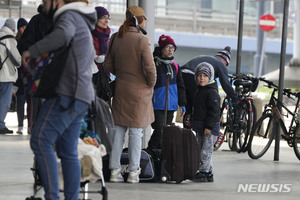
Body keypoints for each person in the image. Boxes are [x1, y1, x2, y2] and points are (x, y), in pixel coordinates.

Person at [22, 0, 96, 199]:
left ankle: (52, 196)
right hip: (81, 95)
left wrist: (33, 50)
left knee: (40, 140)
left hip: (68, 93)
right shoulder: (81, 20)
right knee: (68, 151)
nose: (42, 3)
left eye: (46, 0)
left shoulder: (69, 16)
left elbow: (62, 35)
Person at [103, 5, 156, 183]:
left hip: (121, 89)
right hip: (139, 92)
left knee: (118, 131)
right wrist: (149, 84)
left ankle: (114, 171)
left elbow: (107, 64)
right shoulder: (142, 40)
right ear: (140, 20)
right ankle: (133, 172)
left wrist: (122, 74)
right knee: (135, 133)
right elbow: (150, 67)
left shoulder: (115, 37)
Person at [17, 4, 53, 135]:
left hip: (40, 68)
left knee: (36, 100)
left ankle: (35, 126)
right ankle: (38, 127)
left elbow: (22, 45)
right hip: (46, 69)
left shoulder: (36, 20)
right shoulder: (45, 21)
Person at [181, 46, 238, 126]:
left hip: (182, 74)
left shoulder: (209, 59)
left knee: (189, 105)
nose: (225, 66)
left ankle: (186, 132)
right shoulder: (220, 64)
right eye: (226, 64)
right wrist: (235, 97)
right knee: (200, 104)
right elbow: (225, 84)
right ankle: (201, 129)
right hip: (193, 75)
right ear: (225, 60)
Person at [147, 34, 186, 150]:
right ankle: (151, 150)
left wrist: (182, 104)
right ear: (161, 49)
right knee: (159, 129)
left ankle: (159, 153)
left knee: (166, 131)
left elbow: (181, 86)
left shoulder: (175, 66)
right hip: (157, 104)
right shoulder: (154, 64)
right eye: (168, 47)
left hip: (171, 105)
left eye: (172, 48)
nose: (171, 50)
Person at [191, 62, 220, 182]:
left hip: (209, 128)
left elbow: (214, 112)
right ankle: (209, 173)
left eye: (205, 76)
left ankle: (202, 172)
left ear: (210, 77)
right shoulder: (199, 90)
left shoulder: (212, 92)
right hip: (200, 126)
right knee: (201, 149)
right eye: (199, 75)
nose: (201, 78)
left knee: (205, 152)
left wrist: (209, 126)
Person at [0, 18, 22, 134]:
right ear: (13, 28)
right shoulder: (9, 39)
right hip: (5, 75)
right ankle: (0, 125)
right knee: (4, 101)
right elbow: (17, 60)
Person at [92, 6, 112, 101]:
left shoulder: (106, 37)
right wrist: (95, 58)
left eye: (107, 18)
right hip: (90, 77)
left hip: (105, 76)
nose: (106, 20)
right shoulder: (88, 35)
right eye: (103, 17)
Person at [15, 18, 29, 134]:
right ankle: (20, 125)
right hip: (19, 76)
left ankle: (30, 125)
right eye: (22, 27)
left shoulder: (31, 39)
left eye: (25, 27)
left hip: (29, 75)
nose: (24, 29)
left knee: (30, 101)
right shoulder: (15, 41)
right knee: (20, 100)